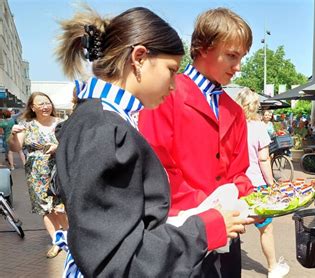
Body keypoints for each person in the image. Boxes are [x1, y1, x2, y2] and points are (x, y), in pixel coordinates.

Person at [54, 6, 251, 277]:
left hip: (189, 240)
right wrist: (206, 224)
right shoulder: (106, 130)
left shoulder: (101, 120)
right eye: (171, 70)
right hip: (180, 237)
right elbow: (121, 262)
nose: (173, 84)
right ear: (139, 58)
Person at [139, 7, 254, 277]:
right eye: (231, 56)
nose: (238, 67)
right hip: (183, 229)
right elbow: (157, 168)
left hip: (226, 230)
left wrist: (250, 201)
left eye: (241, 57)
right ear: (203, 47)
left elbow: (239, 171)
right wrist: (212, 206)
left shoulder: (234, 110)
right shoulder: (166, 94)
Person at [235, 88, 290, 278]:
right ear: (255, 106)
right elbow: (264, 159)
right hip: (256, 185)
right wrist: (272, 183)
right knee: (266, 228)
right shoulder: (258, 127)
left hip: (235, 184)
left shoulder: (231, 125)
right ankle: (273, 267)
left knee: (234, 227)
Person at [8, 92, 68, 259]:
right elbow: (15, 148)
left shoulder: (62, 123)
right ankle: (57, 241)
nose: (44, 106)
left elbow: (73, 143)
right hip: (36, 172)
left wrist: (58, 147)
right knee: (46, 209)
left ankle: (71, 240)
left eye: (47, 103)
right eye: (40, 104)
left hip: (60, 169)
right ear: (32, 107)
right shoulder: (25, 125)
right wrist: (13, 134)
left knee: (61, 208)